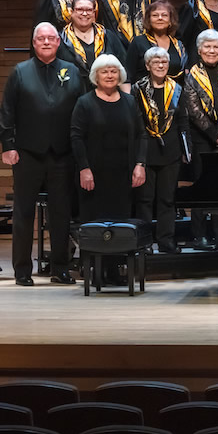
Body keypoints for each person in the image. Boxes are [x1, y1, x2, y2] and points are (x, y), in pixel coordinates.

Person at [0, 23, 87, 285]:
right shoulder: (20, 72)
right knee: (24, 212)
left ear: (59, 42)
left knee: (61, 213)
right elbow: (7, 112)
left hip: (62, 154)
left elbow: (81, 112)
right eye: (41, 38)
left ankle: (60, 268)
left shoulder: (70, 70)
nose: (46, 42)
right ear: (34, 43)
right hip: (27, 153)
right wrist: (8, 145)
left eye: (51, 38)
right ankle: (23, 271)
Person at [70, 55, 147, 283]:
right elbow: (76, 137)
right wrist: (84, 168)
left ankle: (114, 272)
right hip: (93, 175)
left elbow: (142, 134)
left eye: (114, 71)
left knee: (119, 224)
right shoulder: (84, 102)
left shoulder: (129, 102)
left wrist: (140, 165)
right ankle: (94, 272)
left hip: (123, 175)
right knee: (94, 222)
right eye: (105, 71)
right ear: (96, 76)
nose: (110, 75)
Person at [134, 46, 189, 255]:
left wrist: (186, 150)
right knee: (145, 201)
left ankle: (166, 240)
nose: (160, 65)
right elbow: (136, 122)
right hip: (146, 150)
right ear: (148, 66)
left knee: (167, 199)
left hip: (171, 151)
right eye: (155, 62)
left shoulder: (176, 89)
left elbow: (183, 120)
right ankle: (144, 242)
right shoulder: (138, 89)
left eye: (164, 62)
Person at [184, 29, 218, 250]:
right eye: (208, 47)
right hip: (202, 139)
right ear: (200, 49)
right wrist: (215, 136)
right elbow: (194, 111)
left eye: (216, 47)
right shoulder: (191, 75)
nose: (212, 51)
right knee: (202, 188)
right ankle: (200, 236)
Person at [58, 0, 126, 76]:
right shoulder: (61, 38)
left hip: (105, 88)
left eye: (89, 10)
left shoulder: (107, 36)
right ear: (72, 12)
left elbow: (123, 67)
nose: (85, 13)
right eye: (80, 9)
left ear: (94, 13)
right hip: (71, 88)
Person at [126, 0, 188, 87]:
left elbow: (184, 77)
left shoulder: (179, 45)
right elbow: (128, 75)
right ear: (149, 20)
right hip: (143, 96)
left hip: (174, 96)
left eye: (164, 15)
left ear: (170, 20)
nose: (160, 18)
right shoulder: (138, 42)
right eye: (155, 15)